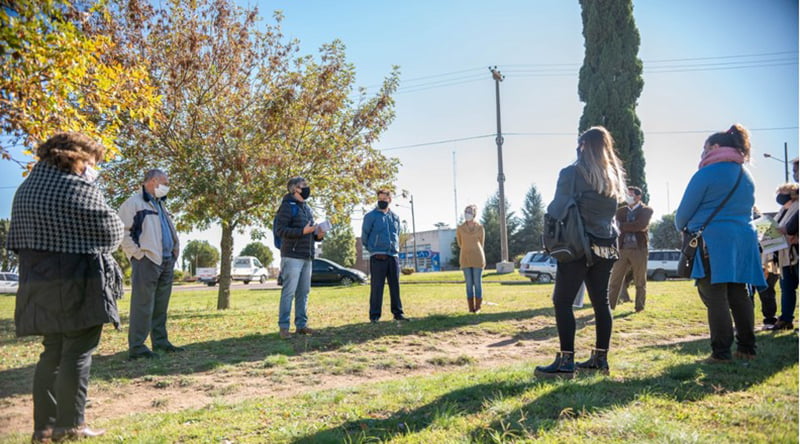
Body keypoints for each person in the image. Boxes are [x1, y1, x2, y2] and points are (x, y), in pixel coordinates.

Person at [7, 132, 124, 441]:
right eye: (93, 161)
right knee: (77, 352)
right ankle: (70, 425)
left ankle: (43, 428)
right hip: (77, 279)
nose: (94, 167)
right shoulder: (76, 186)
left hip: (38, 281)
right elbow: (113, 232)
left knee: (52, 352)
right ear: (77, 157)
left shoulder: (27, 188)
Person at [535, 126, 627, 378]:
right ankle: (600, 359)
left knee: (562, 301)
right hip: (606, 245)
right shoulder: (612, 178)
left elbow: (557, 207)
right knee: (601, 302)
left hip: (577, 245)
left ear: (584, 145)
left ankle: (566, 361)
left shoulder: (571, 173)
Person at [674, 124, 766, 362]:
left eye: (704, 149)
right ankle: (747, 348)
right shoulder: (746, 175)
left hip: (713, 242)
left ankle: (721, 353)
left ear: (715, 147)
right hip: (743, 241)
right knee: (740, 295)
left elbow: (682, 215)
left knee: (715, 297)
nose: (702, 154)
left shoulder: (707, 173)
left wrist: (684, 227)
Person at [119, 169, 182, 360]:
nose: (167, 187)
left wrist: (174, 251)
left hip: (166, 261)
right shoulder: (134, 204)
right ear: (154, 181)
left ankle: (161, 342)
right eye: (165, 183)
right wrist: (138, 255)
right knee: (142, 305)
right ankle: (137, 347)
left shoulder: (160, 205)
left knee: (160, 306)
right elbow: (122, 232)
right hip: (147, 262)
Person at [274, 177, 324, 339]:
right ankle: (284, 328)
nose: (307, 188)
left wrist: (318, 235)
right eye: (304, 185)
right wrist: (302, 232)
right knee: (289, 292)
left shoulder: (307, 208)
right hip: (292, 256)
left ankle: (301, 325)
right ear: (295, 189)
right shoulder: (287, 207)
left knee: (304, 292)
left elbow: (310, 232)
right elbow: (280, 230)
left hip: (307, 255)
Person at [362, 189, 409, 323]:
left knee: (395, 286)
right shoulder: (370, 216)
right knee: (377, 287)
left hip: (393, 255)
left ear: (390, 200)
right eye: (379, 199)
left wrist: (395, 248)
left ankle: (398, 313)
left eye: (384, 199)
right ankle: (375, 315)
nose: (382, 201)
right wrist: (373, 249)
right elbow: (365, 236)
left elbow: (397, 234)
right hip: (378, 256)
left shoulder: (394, 217)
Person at [607, 186, 653, 312]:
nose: (628, 196)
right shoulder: (620, 211)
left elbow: (640, 226)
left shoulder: (646, 210)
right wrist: (626, 226)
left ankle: (639, 307)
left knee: (640, 281)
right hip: (621, 249)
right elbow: (615, 227)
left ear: (638, 197)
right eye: (627, 194)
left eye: (631, 194)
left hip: (639, 249)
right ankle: (610, 307)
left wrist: (622, 226)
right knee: (615, 280)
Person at [772, 182, 798, 330]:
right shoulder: (782, 211)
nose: (780, 196)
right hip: (784, 255)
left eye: (784, 192)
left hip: (796, 251)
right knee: (786, 287)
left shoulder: (798, 206)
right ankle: (786, 319)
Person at [456, 204, 485, 313]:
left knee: (477, 283)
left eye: (469, 212)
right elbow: (459, 243)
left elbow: (482, 243)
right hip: (465, 258)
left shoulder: (480, 228)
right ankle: (470, 308)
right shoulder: (460, 228)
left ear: (474, 214)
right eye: (466, 211)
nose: (467, 214)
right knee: (469, 283)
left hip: (478, 257)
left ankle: (478, 307)